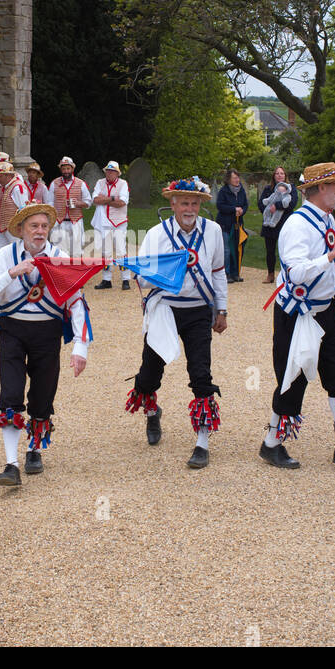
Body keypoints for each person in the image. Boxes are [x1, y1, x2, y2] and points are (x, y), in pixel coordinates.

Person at [258, 162, 335, 470]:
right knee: (292, 377)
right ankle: (271, 444)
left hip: (326, 309)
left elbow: (333, 238)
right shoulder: (297, 225)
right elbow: (295, 272)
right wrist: (332, 256)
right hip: (297, 312)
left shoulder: (327, 218)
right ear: (321, 189)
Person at [0, 203, 91, 487]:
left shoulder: (60, 257)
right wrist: (12, 273)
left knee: (42, 395)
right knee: (11, 393)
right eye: (33, 226)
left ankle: (34, 450)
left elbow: (76, 302)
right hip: (12, 331)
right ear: (21, 230)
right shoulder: (6, 255)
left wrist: (80, 347)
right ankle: (10, 464)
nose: (39, 232)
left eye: (44, 226)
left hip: (48, 332)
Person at [124, 177, 228, 469]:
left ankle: (202, 443)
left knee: (200, 373)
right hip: (164, 309)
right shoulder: (158, 234)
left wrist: (222, 310)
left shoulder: (213, 231)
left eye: (195, 203)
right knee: (149, 373)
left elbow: (219, 271)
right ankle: (152, 412)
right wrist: (159, 269)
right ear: (172, 204)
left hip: (198, 311)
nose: (190, 208)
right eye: (184, 202)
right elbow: (141, 276)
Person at [91, 160, 132, 290]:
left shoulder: (123, 184)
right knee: (106, 252)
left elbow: (122, 202)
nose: (109, 173)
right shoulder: (99, 183)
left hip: (119, 221)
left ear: (117, 173)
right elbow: (95, 200)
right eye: (108, 171)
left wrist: (106, 199)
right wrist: (114, 198)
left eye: (112, 171)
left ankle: (126, 279)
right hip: (104, 222)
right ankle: (106, 279)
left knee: (121, 251)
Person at [258, 167, 297, 282]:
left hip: (285, 224)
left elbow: (292, 204)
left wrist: (277, 205)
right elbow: (261, 203)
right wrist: (269, 210)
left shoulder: (291, 189)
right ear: (274, 176)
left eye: (282, 173)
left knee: (286, 251)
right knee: (270, 251)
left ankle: (286, 275)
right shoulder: (268, 189)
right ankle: (270, 274)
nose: (280, 175)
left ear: (285, 175)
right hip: (269, 224)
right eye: (277, 173)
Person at [48, 155, 90, 257]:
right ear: (60, 169)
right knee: (59, 252)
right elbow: (49, 203)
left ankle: (74, 271)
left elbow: (88, 202)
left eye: (68, 168)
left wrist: (78, 203)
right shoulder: (54, 183)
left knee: (76, 251)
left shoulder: (81, 183)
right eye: (63, 168)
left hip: (76, 221)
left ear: (72, 168)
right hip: (59, 222)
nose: (66, 171)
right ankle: (61, 272)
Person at [0, 160, 28, 259]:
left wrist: (20, 228)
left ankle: (21, 273)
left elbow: (24, 210)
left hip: (14, 229)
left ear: (8, 176)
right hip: (5, 227)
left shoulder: (17, 188)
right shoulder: (8, 187)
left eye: (0, 176)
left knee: (17, 253)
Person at [216, 169, 249, 283]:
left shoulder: (241, 190)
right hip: (225, 224)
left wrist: (242, 211)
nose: (237, 180)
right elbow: (220, 206)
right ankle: (226, 273)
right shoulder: (223, 191)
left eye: (238, 177)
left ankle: (235, 273)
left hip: (237, 224)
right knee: (227, 250)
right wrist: (233, 209)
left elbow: (245, 204)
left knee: (237, 249)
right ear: (228, 179)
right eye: (234, 178)